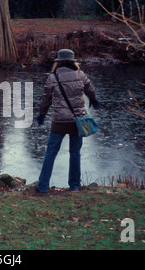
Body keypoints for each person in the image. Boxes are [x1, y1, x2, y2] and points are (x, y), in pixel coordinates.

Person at [36, 49, 100, 192]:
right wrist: (93, 100)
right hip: (78, 122)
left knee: (51, 153)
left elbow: (45, 99)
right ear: (73, 61)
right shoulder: (81, 75)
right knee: (75, 153)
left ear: (58, 62)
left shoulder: (53, 77)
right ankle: (75, 186)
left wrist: (42, 114)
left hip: (59, 121)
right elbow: (91, 90)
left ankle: (42, 186)